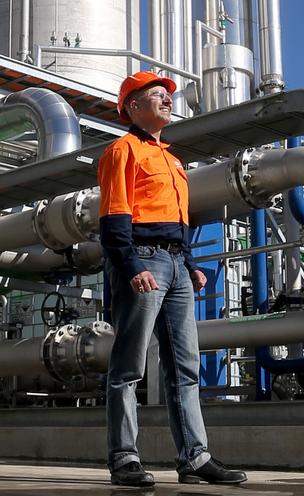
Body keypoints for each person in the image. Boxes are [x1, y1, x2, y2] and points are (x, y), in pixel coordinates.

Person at [97, 70, 248, 487]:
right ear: (133, 106)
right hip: (142, 260)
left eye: (168, 96)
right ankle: (124, 458)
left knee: (185, 367)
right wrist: (131, 267)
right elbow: (113, 218)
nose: (167, 100)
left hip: (176, 264)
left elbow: (174, 222)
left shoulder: (172, 159)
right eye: (158, 95)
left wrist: (190, 262)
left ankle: (195, 458)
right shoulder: (122, 151)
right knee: (128, 366)